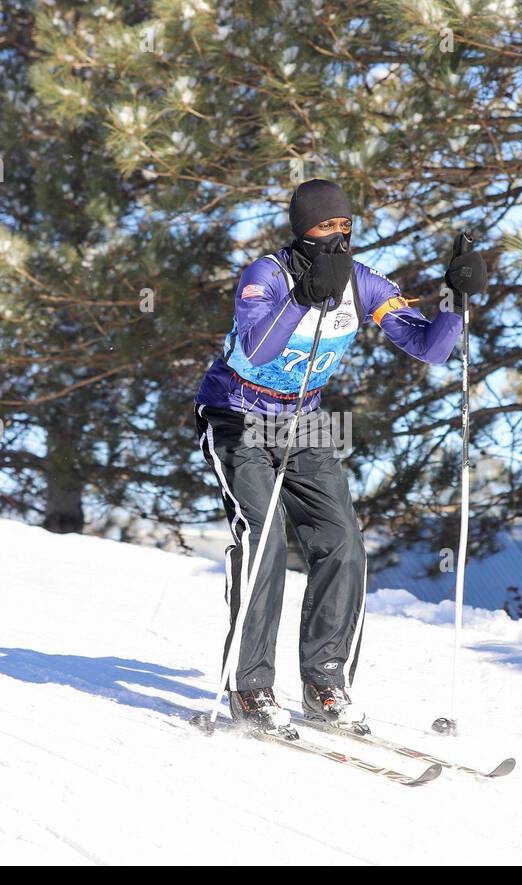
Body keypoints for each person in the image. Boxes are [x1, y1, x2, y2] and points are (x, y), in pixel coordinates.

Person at [192, 178, 486, 734]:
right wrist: (303, 298)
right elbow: (254, 353)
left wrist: (456, 298)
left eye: (345, 225)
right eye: (326, 225)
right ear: (301, 227)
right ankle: (250, 688)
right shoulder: (266, 275)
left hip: (304, 422)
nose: (338, 235)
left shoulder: (363, 284)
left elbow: (432, 349)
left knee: (343, 541)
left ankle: (325, 683)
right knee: (265, 540)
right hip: (236, 416)